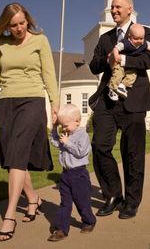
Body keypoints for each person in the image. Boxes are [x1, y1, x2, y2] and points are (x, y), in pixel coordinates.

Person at [0, 2, 59, 242]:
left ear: (28, 20)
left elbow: (48, 74)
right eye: (13, 25)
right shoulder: (1, 45)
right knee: (14, 157)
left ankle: (9, 215)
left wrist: (54, 103)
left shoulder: (40, 40)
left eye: (22, 23)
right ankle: (33, 199)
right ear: (6, 25)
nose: (19, 28)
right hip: (8, 104)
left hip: (32, 101)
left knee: (18, 154)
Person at [89, 0, 150, 219]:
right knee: (99, 146)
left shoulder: (143, 32)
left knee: (133, 153)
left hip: (134, 102)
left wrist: (122, 60)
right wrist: (108, 60)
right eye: (112, 7)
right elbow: (93, 66)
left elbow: (148, 61)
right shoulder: (106, 38)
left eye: (118, 7)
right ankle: (113, 194)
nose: (114, 10)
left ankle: (132, 201)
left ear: (130, 8)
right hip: (107, 100)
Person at [47, 104, 97, 242]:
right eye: (61, 126)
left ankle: (89, 221)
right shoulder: (66, 134)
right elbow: (56, 143)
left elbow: (81, 153)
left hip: (79, 174)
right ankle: (61, 229)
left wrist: (68, 143)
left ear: (77, 121)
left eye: (66, 125)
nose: (64, 128)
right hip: (66, 175)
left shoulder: (83, 135)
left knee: (82, 202)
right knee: (65, 203)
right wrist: (54, 128)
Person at [108, 23, 150, 101]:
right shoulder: (125, 43)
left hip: (131, 65)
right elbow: (116, 48)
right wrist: (116, 55)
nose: (139, 41)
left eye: (141, 38)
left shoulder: (144, 43)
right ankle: (112, 89)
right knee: (118, 74)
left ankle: (122, 86)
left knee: (132, 75)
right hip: (120, 63)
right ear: (130, 37)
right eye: (136, 39)